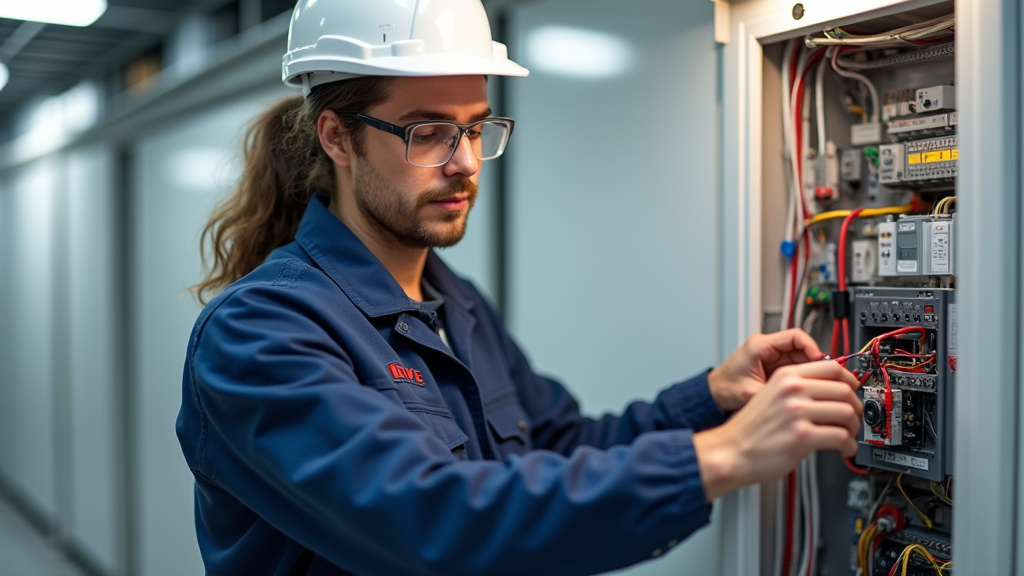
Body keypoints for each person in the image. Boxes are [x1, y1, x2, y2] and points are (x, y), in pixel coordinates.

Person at [175, 1, 863, 574]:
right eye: (428, 132)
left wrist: (710, 398)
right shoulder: (260, 333)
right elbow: (434, 521)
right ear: (337, 137)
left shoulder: (453, 305)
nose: (466, 162)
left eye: (476, 128)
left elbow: (561, 450)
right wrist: (723, 456)